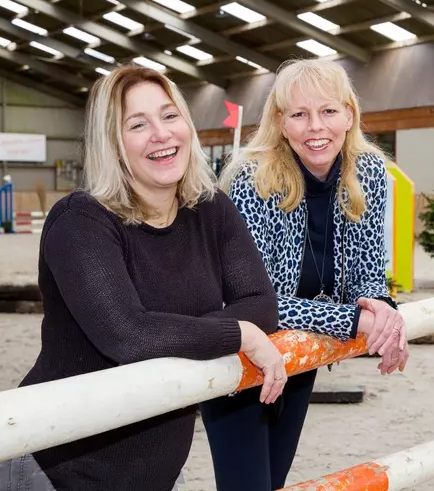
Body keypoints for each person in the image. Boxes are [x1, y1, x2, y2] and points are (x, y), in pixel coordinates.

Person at [0, 64, 287, 491]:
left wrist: (178, 332)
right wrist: (237, 333)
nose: (161, 133)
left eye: (170, 116)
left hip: (160, 472)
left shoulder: (210, 209)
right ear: (113, 145)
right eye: (138, 124)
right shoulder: (80, 221)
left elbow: (261, 302)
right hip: (60, 469)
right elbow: (128, 336)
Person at [201, 58, 410, 491]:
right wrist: (352, 321)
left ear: (349, 114)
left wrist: (381, 310)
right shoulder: (252, 178)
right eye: (299, 114)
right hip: (239, 355)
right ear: (281, 122)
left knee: (274, 480)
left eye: (328, 111)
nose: (316, 127)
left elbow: (367, 276)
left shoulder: (368, 173)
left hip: (301, 350)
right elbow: (258, 301)